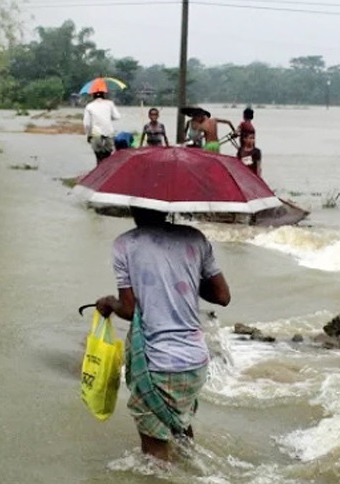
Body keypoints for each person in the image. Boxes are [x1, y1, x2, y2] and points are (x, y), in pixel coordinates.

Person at [95, 206, 231, 462]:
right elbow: (223, 296)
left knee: (156, 459)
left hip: (159, 363)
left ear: (133, 206)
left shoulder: (125, 244)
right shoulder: (195, 238)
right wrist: (184, 275)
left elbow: (130, 309)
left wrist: (110, 303)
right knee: (181, 429)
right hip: (195, 362)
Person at [83, 90, 122, 163]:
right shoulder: (110, 103)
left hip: (96, 134)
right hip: (108, 133)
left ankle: (99, 172)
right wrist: (107, 117)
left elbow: (87, 124)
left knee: (98, 157)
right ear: (104, 95)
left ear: (93, 96)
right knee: (108, 157)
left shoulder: (89, 106)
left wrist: (88, 135)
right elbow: (117, 116)